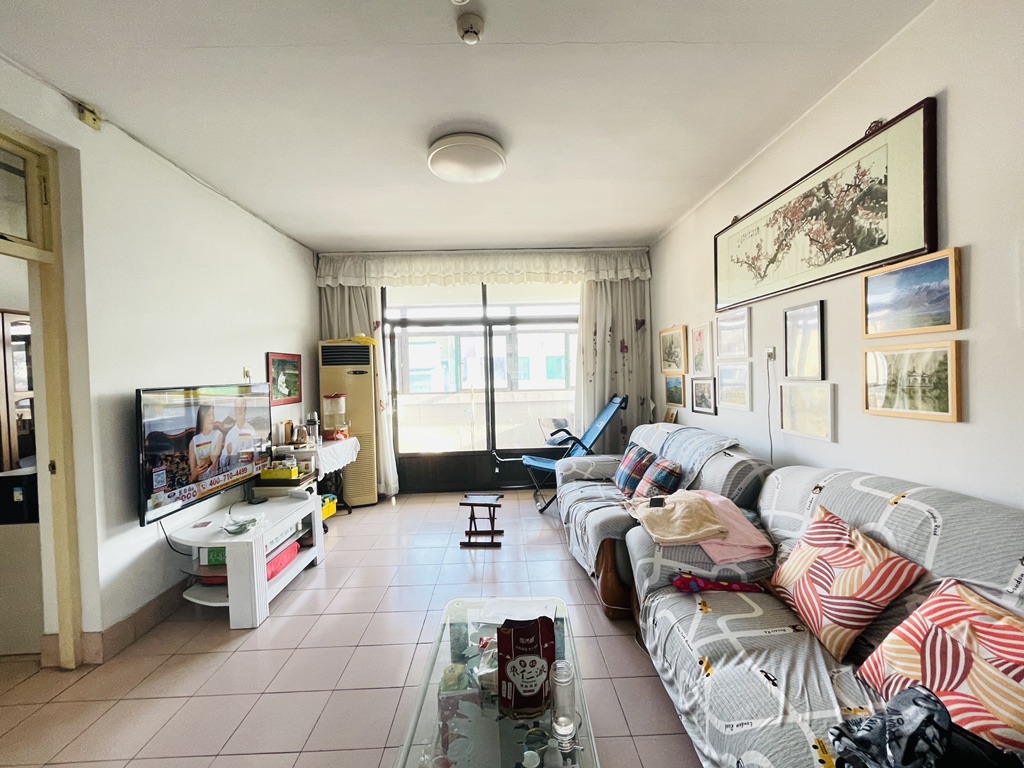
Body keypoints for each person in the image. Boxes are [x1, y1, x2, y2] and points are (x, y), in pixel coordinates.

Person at [188, 404, 224, 482]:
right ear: (202, 418)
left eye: (213, 415)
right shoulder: (193, 442)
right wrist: (195, 473)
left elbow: (213, 460)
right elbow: (192, 478)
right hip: (200, 484)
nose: (212, 418)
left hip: (214, 481)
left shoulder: (218, 435)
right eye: (208, 415)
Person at [222, 397, 256, 467]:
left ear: (245, 410)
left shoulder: (252, 431)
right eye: (238, 406)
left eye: (242, 405)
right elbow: (222, 463)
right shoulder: (230, 435)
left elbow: (258, 458)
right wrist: (227, 454)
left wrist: (253, 455)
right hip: (233, 472)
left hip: (249, 471)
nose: (240, 409)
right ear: (235, 411)